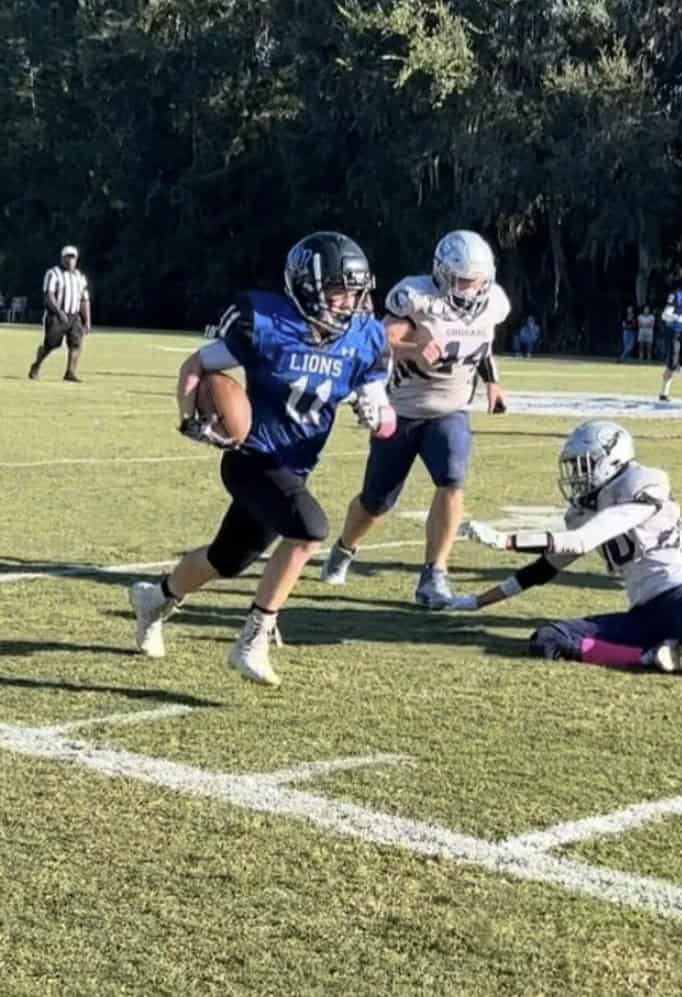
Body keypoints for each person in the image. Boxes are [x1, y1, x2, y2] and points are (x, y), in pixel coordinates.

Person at [128, 231, 395, 687]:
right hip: (250, 457)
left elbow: (379, 402)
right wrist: (190, 416)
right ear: (307, 289)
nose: (348, 302)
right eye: (338, 291)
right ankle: (253, 636)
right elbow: (196, 365)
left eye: (355, 292)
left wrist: (379, 412)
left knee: (226, 560)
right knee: (310, 529)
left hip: (293, 467)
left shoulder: (365, 338)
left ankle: (156, 598)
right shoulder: (265, 322)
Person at [320, 229, 510, 609]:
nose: (471, 290)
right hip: (403, 411)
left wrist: (493, 382)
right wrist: (413, 350)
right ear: (442, 273)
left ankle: (434, 574)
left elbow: (482, 341)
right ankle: (344, 548)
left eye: (478, 282)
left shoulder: (494, 303)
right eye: (463, 281)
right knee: (376, 502)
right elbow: (380, 339)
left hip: (450, 410)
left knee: (452, 480)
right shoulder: (417, 297)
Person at [451, 419, 682, 673]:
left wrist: (505, 540)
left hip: (678, 597)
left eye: (583, 464)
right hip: (646, 613)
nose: (576, 475)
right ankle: (653, 657)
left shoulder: (639, 487)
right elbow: (543, 569)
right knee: (549, 639)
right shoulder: (587, 510)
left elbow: (581, 539)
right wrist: (477, 601)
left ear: (611, 460)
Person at [28, 245, 91, 382]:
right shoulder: (53, 273)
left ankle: (70, 372)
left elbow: (84, 300)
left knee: (76, 343)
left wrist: (87, 320)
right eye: (67, 257)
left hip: (74, 315)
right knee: (51, 344)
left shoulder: (80, 277)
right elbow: (49, 295)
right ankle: (36, 365)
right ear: (62, 258)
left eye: (73, 257)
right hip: (56, 315)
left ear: (76, 259)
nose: (70, 260)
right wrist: (58, 311)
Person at [658, 287, 682, 401]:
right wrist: (676, 317)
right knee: (672, 363)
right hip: (675, 332)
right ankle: (664, 393)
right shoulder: (676, 294)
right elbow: (664, 315)